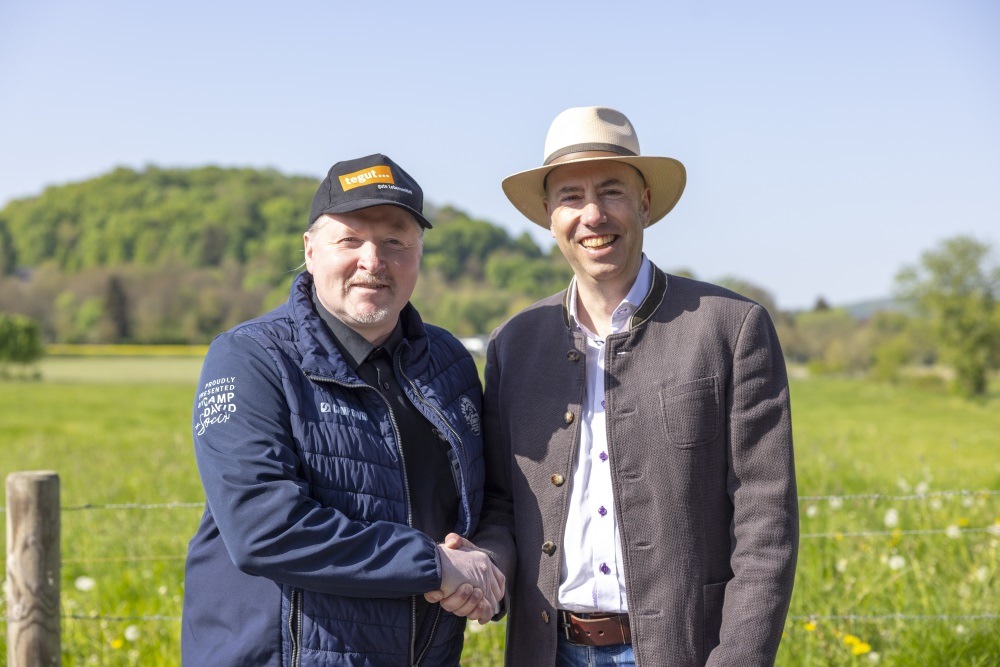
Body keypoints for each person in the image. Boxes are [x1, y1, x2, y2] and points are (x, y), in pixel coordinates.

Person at [465, 107, 799, 666]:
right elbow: (500, 503)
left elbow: (766, 522)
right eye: (571, 196)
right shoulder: (513, 344)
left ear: (644, 203)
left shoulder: (731, 327)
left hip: (682, 651)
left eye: (612, 191)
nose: (593, 215)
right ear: (549, 215)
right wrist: (480, 566)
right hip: (546, 649)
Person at [182, 153, 504, 666]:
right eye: (350, 239)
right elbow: (264, 529)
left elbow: (490, 500)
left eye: (395, 241)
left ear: (419, 255)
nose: (373, 261)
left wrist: (485, 566)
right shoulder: (250, 358)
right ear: (310, 250)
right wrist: (435, 567)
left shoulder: (450, 364)